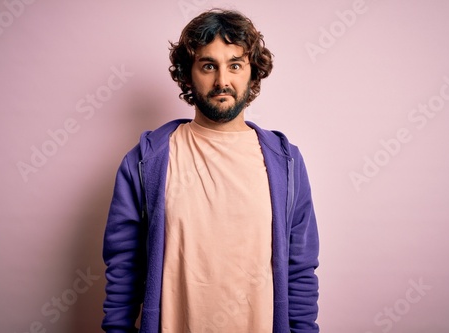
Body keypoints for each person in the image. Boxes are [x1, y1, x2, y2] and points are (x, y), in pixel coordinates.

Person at [102, 8, 319, 333]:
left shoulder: (286, 162)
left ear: (252, 72)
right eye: (208, 66)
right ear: (188, 74)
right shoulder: (147, 161)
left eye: (235, 65)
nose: (222, 80)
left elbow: (300, 269)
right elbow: (124, 265)